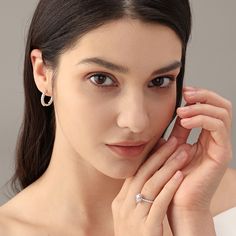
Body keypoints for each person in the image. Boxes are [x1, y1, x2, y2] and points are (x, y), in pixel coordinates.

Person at [0, 0, 235, 235]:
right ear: (42, 73)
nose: (136, 121)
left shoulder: (225, 203)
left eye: (159, 81)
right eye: (101, 79)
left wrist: (192, 220)